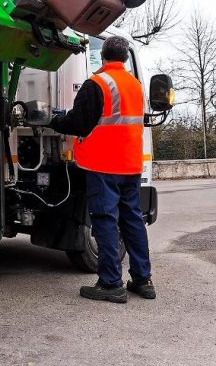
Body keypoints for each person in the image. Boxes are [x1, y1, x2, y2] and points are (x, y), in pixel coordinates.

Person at [49, 36, 155, 303]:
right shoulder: (135, 85)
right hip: (130, 165)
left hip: (104, 165)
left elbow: (79, 123)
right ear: (125, 57)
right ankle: (143, 280)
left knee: (105, 221)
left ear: (104, 56)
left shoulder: (97, 84)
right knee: (132, 220)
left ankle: (110, 283)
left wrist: (54, 120)